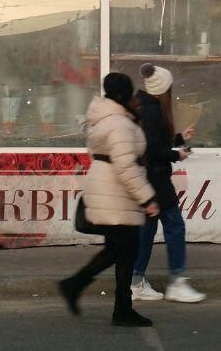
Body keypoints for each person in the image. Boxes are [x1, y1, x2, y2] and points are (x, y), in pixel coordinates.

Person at [59, 72, 160, 327]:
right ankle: (80, 287)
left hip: (109, 188)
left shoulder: (107, 118)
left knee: (122, 250)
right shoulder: (120, 124)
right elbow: (126, 166)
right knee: (122, 249)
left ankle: (116, 304)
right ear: (123, 94)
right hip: (115, 192)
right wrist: (147, 198)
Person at [130, 64, 204, 304]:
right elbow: (152, 148)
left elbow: (153, 141)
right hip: (156, 177)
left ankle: (136, 281)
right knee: (174, 225)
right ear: (164, 89)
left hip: (147, 176)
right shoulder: (153, 111)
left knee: (147, 230)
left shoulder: (144, 106)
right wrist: (177, 155)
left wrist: (180, 138)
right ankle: (177, 281)